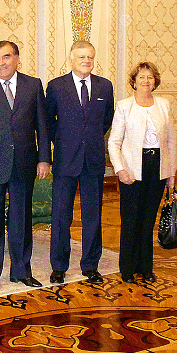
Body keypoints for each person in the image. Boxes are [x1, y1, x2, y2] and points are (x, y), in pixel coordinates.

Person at [0, 40, 51, 294]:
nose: (1, 62)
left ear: (17, 59)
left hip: (24, 163)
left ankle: (21, 271)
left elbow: (42, 125)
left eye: (6, 57)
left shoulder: (33, 85)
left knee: (21, 219)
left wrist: (44, 158)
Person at [45, 41, 114, 285]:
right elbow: (49, 121)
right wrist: (65, 141)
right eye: (82, 56)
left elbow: (106, 120)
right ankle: (59, 266)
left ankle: (91, 265)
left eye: (90, 57)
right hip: (65, 159)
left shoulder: (105, 86)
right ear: (71, 59)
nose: (86, 61)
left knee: (93, 215)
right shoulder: (56, 86)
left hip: (93, 160)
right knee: (61, 215)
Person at [108, 61, 177, 284]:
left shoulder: (164, 105)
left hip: (157, 168)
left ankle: (146, 267)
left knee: (148, 221)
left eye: (150, 77)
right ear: (134, 82)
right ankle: (127, 268)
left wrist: (171, 173)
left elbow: (170, 142)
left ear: (155, 81)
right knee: (130, 220)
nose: (146, 81)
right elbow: (114, 142)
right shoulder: (124, 106)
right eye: (141, 77)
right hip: (131, 169)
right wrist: (120, 170)